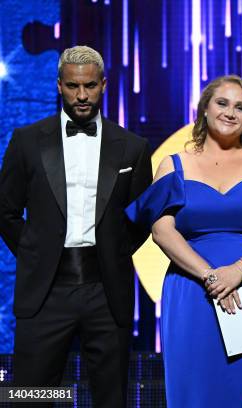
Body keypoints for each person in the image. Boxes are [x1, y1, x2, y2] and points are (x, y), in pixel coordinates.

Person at [125, 75, 242, 407]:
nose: (230, 112)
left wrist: (238, 271)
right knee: (198, 392)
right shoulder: (173, 165)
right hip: (193, 291)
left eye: (240, 107)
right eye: (222, 103)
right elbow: (162, 231)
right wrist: (212, 275)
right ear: (205, 109)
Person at [0, 46, 152, 407]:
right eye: (72, 86)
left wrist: (112, 255)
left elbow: (143, 216)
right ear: (58, 86)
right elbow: (5, 211)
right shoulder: (26, 141)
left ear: (103, 85)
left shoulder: (133, 147)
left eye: (89, 86)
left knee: (109, 398)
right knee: (31, 397)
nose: (81, 95)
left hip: (106, 290)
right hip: (45, 291)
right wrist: (37, 252)